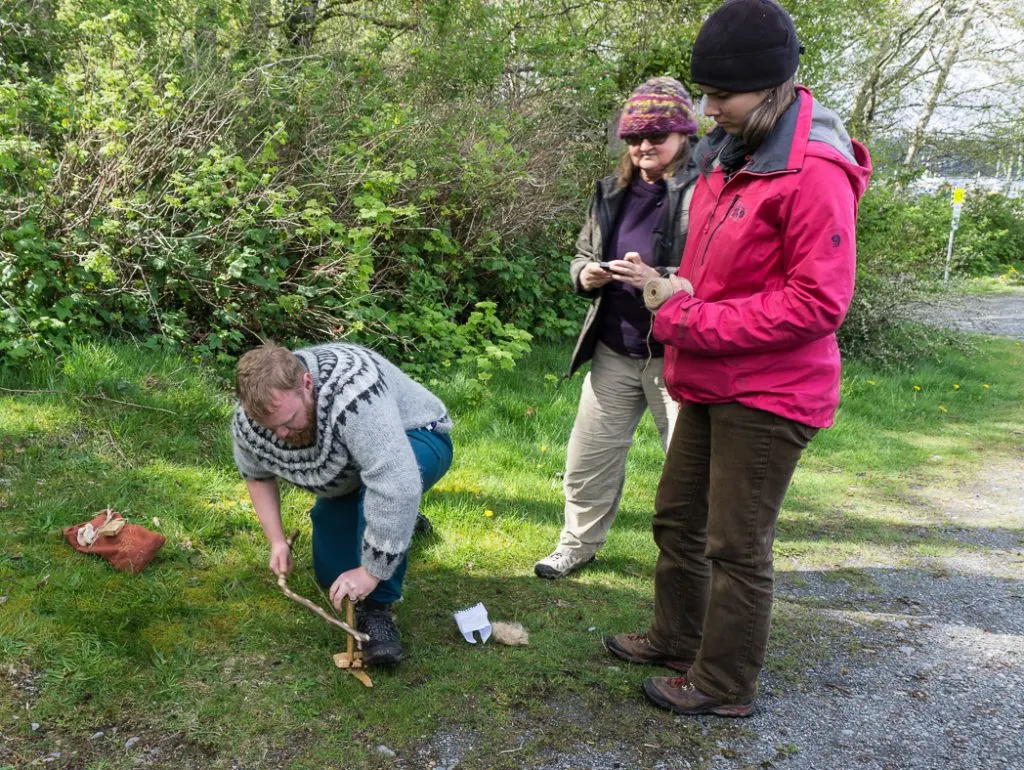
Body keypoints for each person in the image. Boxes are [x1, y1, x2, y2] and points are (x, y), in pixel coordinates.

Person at [604, 0, 871, 716]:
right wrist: (683, 285)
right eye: (706, 92)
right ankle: (675, 635)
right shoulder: (736, 150)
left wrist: (686, 312)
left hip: (773, 393)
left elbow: (818, 303)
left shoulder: (814, 170)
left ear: (772, 86)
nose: (707, 108)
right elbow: (736, 268)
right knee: (676, 517)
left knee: (735, 544)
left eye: (721, 95)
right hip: (716, 376)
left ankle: (724, 684)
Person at [533, 77, 700, 579]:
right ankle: (577, 545)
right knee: (588, 462)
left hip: (679, 356)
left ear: (684, 135)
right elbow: (583, 253)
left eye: (657, 136)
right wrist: (586, 274)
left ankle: (693, 565)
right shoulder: (609, 191)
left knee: (689, 475)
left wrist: (657, 280)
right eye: (634, 138)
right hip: (614, 350)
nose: (644, 146)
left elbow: (718, 275)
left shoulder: (709, 190)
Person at [231, 341, 453, 665]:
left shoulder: (352, 390)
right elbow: (257, 476)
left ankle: (378, 613)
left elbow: (396, 480)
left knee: (376, 512)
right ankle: (400, 525)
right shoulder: (251, 421)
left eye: (289, 420)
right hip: (354, 469)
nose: (280, 434)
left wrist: (372, 572)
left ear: (307, 384)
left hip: (419, 436)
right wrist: (276, 541)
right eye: (271, 427)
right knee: (331, 571)